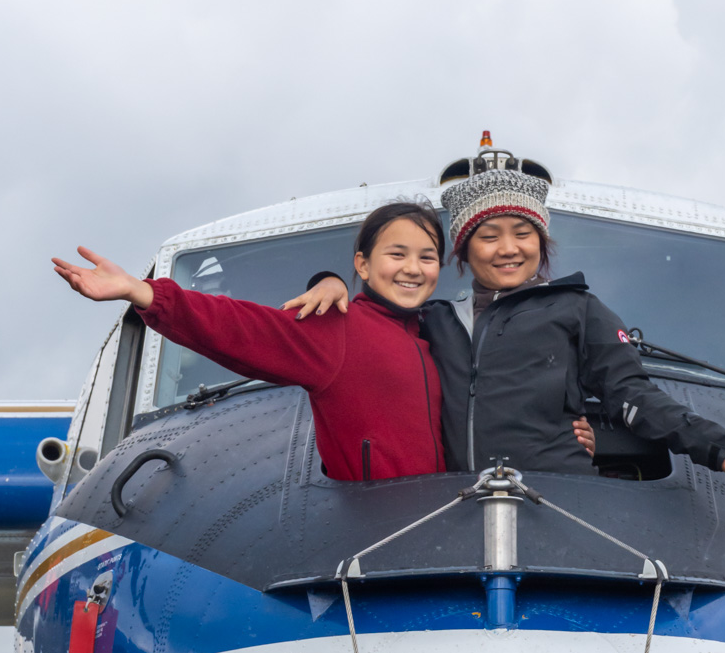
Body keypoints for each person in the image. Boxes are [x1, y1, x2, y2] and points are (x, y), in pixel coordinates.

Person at [288, 170, 725, 497]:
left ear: (541, 242)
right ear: (464, 252)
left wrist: (717, 445)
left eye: (523, 234)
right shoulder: (434, 320)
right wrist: (329, 281)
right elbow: (375, 317)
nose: (508, 248)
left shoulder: (578, 308)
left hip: (559, 497)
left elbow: (631, 393)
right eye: (489, 236)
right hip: (454, 503)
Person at [53, 203, 449, 482]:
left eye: (427, 257)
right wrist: (143, 292)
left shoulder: (442, 335)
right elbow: (242, 328)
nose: (413, 268)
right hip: (381, 539)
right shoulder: (337, 329)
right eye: (397, 254)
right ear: (362, 264)